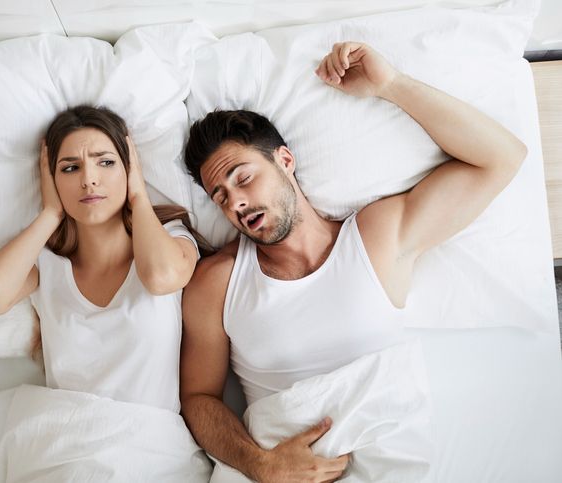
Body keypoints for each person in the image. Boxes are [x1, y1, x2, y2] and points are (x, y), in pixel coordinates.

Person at [179, 41, 527, 482]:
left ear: (285, 160)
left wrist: (391, 85)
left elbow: (500, 159)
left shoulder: (374, 238)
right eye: (220, 197)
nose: (236, 203)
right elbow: (198, 399)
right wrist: (260, 464)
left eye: (243, 178)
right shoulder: (216, 283)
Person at [0, 105, 205, 414]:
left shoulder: (170, 238)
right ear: (51, 180)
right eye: (70, 168)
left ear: (129, 169)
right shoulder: (47, 265)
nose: (89, 179)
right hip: (67, 431)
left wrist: (138, 197)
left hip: (149, 434)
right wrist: (50, 214)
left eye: (106, 162)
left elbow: (162, 278)